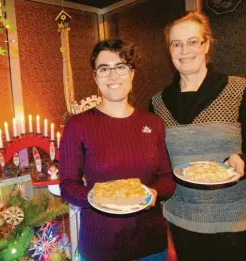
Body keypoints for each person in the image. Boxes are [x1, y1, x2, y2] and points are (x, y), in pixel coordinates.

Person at [149, 11, 246, 261]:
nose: (185, 50)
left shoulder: (241, 90)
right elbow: (156, 161)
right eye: (176, 44)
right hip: (181, 219)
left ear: (206, 44)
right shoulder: (158, 102)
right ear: (169, 50)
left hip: (233, 222)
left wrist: (245, 161)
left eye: (192, 41)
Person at [59, 40, 176, 261]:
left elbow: (167, 179)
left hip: (151, 246)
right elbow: (67, 186)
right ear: (95, 77)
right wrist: (99, 198)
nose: (113, 76)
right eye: (104, 69)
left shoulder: (153, 123)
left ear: (132, 74)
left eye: (121, 67)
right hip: (101, 248)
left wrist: (154, 193)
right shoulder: (78, 125)